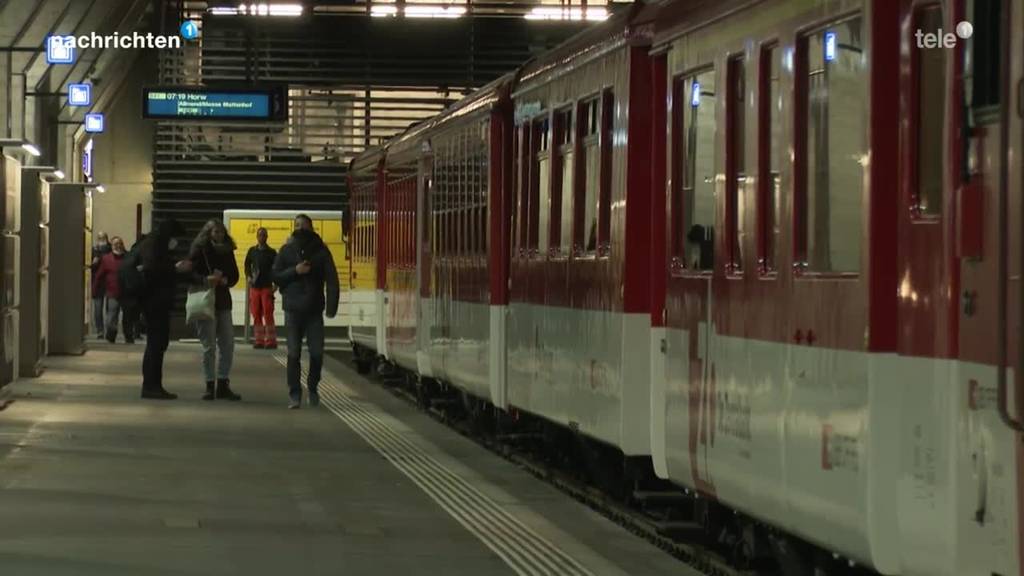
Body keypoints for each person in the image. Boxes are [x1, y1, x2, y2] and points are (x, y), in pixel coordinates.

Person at [273, 214, 339, 409]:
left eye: (303, 224)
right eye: (297, 225)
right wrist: (295, 271)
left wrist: (331, 307)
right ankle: (294, 393)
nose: (300, 227)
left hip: (314, 309)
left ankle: (312, 387)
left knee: (317, 352)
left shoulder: (321, 251)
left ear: (311, 227)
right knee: (293, 353)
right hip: (293, 310)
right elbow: (276, 276)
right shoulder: (286, 250)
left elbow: (332, 279)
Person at [188, 219, 241, 401]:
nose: (219, 235)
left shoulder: (227, 251)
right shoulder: (200, 250)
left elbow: (235, 275)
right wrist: (206, 279)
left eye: (221, 232)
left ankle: (223, 382)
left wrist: (227, 280)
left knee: (228, 343)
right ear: (208, 233)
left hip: (223, 301)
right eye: (215, 232)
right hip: (206, 299)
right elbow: (190, 273)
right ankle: (209, 384)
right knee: (209, 346)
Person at [138, 219, 190, 400]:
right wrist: (175, 269)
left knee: (155, 345)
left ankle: (152, 385)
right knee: (156, 345)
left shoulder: (151, 244)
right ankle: (152, 386)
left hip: (153, 303)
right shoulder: (155, 247)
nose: (175, 243)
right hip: (156, 303)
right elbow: (154, 271)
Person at [91, 236, 134, 343]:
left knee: (128, 317)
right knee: (111, 317)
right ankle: (111, 335)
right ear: (112, 246)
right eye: (115, 244)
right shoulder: (106, 259)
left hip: (127, 292)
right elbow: (99, 276)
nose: (118, 246)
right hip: (112, 292)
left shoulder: (129, 257)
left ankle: (128, 336)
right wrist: (95, 290)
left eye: (120, 243)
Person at [244, 227, 278, 349]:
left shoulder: (272, 252)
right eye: (260, 235)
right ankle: (259, 340)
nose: (262, 237)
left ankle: (271, 341)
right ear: (257, 237)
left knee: (268, 313)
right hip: (255, 286)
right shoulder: (252, 251)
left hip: (267, 286)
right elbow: (247, 265)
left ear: (267, 236)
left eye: (264, 235)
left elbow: (277, 268)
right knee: (256, 313)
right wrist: (248, 276)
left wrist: (276, 284)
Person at [90, 232, 112, 339]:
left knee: (110, 308)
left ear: (107, 239)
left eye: (103, 237)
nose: (101, 239)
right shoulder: (93, 250)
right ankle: (100, 331)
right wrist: (93, 263)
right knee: (98, 309)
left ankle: (108, 330)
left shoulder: (111, 250)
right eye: (99, 238)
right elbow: (90, 267)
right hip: (98, 282)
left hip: (109, 282)